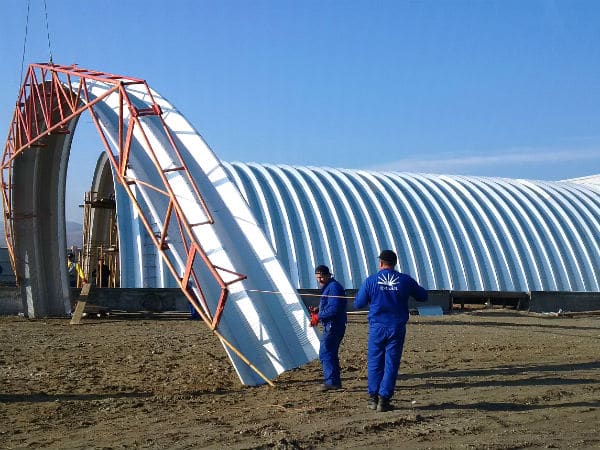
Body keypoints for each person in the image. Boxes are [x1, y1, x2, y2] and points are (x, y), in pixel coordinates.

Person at [354, 250, 428, 412]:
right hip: (396, 327)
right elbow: (423, 296)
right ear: (394, 263)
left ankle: (373, 398)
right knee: (391, 364)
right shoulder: (405, 280)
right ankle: (384, 399)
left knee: (374, 362)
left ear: (381, 263)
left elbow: (358, 304)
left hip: (377, 327)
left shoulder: (371, 281)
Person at [309, 265, 347, 391]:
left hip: (334, 326)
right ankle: (334, 381)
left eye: (321, 277)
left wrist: (318, 316)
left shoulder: (333, 288)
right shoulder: (329, 287)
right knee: (330, 352)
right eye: (317, 278)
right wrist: (318, 309)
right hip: (332, 325)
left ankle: (331, 382)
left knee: (326, 352)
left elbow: (334, 309)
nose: (319, 280)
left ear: (328, 275)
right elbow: (329, 305)